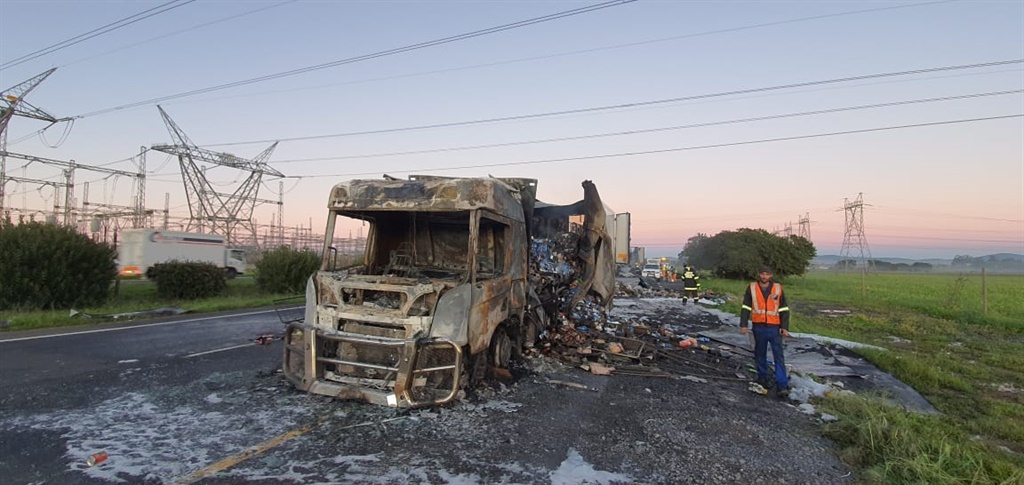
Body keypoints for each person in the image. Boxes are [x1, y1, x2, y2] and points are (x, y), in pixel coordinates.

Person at [739, 266, 791, 398]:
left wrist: (784, 327)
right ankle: (762, 379)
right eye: (762, 274)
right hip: (759, 327)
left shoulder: (778, 288)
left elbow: (784, 308)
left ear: (771, 276)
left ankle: (782, 386)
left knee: (778, 356)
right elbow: (746, 306)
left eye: (767, 274)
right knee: (759, 354)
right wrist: (743, 324)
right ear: (758, 274)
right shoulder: (752, 288)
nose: (764, 276)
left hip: (775, 328)